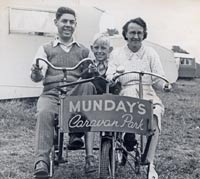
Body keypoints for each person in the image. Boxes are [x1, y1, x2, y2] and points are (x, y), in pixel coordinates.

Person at [31, 7, 97, 178]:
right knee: (44, 112)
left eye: (71, 22)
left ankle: (77, 133)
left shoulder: (84, 50)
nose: (68, 25)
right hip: (52, 93)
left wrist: (91, 71)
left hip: (75, 94)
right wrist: (37, 72)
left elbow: (93, 72)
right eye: (64, 21)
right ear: (56, 23)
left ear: (75, 25)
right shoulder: (45, 49)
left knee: (88, 86)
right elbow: (37, 76)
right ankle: (41, 161)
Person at [106, 17, 171, 179]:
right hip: (127, 91)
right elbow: (110, 74)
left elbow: (158, 77)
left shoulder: (150, 53)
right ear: (126, 35)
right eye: (132, 32)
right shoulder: (117, 53)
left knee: (155, 114)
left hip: (147, 91)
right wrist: (113, 77)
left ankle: (149, 163)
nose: (135, 36)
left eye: (139, 33)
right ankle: (128, 137)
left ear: (144, 35)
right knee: (130, 108)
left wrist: (165, 85)